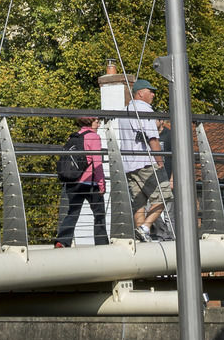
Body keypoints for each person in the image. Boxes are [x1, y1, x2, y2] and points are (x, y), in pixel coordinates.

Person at [118, 79, 166, 239]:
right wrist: (160, 161)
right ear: (140, 93)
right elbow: (153, 139)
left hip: (129, 165)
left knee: (139, 201)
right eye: (150, 91)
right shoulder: (145, 110)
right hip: (146, 163)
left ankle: (140, 235)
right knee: (164, 196)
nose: (153, 94)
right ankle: (145, 227)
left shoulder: (123, 112)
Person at [53, 116, 108, 247]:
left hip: (73, 182)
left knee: (72, 212)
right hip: (90, 183)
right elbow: (97, 162)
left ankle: (62, 240)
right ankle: (102, 243)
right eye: (96, 121)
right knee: (99, 213)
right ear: (90, 122)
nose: (98, 124)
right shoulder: (94, 137)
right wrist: (101, 183)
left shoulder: (73, 137)